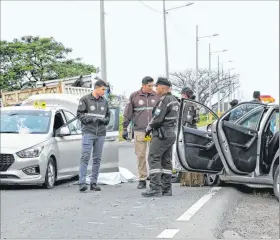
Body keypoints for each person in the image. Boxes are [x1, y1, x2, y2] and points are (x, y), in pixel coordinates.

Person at [142, 77, 180, 197]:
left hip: (161, 134)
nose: (155, 88)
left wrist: (148, 128)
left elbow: (157, 119)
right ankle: (166, 189)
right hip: (170, 134)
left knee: (154, 158)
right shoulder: (174, 100)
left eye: (157, 86)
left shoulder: (164, 100)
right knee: (166, 161)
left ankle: (155, 188)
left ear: (163, 87)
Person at [122, 76, 159, 189]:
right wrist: (124, 128)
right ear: (143, 85)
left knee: (154, 156)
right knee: (141, 155)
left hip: (154, 131)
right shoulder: (134, 96)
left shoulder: (156, 96)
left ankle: (154, 178)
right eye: (149, 86)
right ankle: (142, 179)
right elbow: (128, 113)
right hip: (140, 131)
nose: (151, 88)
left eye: (153, 85)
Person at [77, 79, 111, 192]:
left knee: (97, 159)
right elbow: (80, 115)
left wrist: (104, 121)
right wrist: (92, 119)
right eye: (103, 89)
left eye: (105, 90)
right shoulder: (85, 99)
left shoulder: (104, 102)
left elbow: (108, 116)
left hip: (100, 133)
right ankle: (82, 182)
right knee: (85, 157)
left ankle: (93, 183)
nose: (104, 92)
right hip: (88, 132)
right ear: (96, 88)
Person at [172, 87, 201, 184]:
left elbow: (188, 119)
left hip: (186, 130)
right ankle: (182, 175)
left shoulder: (188, 104)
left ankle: (181, 174)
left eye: (182, 94)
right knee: (185, 153)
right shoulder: (193, 104)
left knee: (180, 153)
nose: (181, 96)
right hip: (191, 130)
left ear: (185, 95)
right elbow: (197, 119)